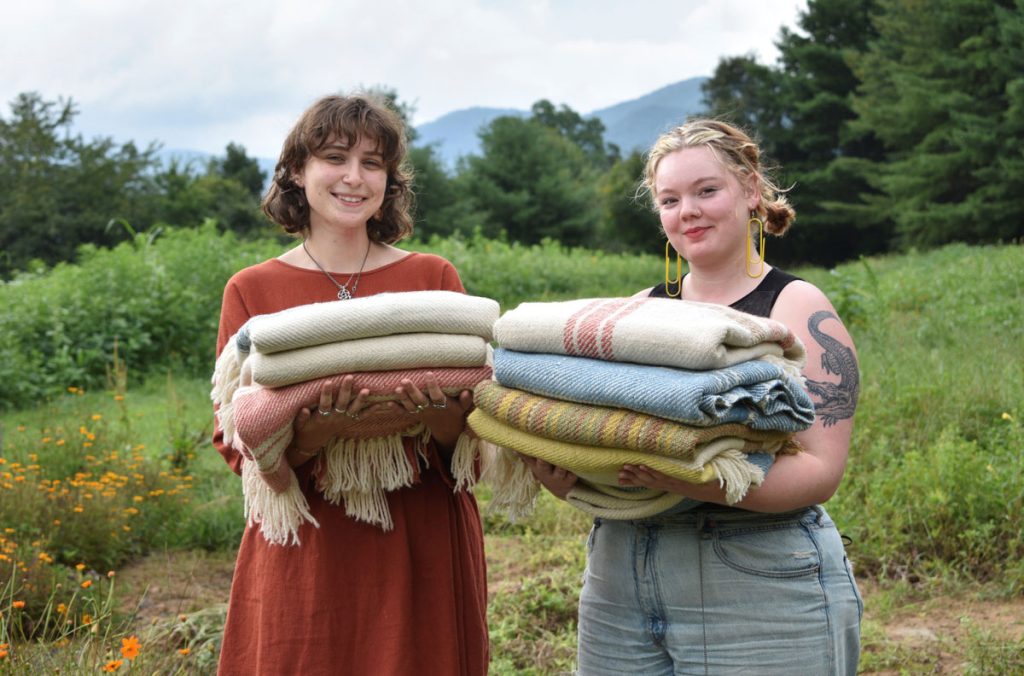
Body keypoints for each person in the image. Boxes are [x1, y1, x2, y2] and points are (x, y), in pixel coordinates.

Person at [520, 119, 862, 674]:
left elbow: (820, 470)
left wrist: (691, 478)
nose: (688, 211)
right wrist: (573, 477)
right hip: (621, 574)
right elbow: (608, 431)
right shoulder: (637, 313)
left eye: (707, 190)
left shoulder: (796, 308)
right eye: (670, 199)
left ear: (750, 190)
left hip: (756, 574)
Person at [212, 93, 488, 675]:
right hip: (308, 542)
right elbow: (237, 441)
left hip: (420, 535)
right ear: (295, 170)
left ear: (390, 180)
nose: (354, 177)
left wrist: (441, 421)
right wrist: (312, 437)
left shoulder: (432, 277)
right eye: (335, 157)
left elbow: (480, 426)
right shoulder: (251, 290)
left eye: (372, 163)